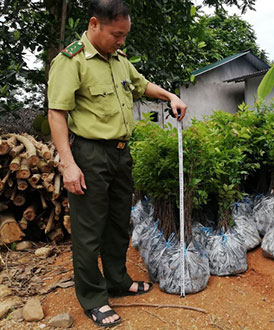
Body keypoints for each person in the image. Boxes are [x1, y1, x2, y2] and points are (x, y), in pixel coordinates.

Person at [47, 0, 187, 327]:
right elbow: (56, 113)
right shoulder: (71, 61)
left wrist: (170, 96)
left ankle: (117, 280)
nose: (121, 41)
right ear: (94, 24)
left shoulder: (119, 60)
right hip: (89, 155)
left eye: (124, 35)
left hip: (121, 153)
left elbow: (141, 86)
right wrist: (68, 164)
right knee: (88, 230)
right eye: (116, 35)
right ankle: (94, 298)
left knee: (118, 223)